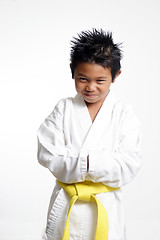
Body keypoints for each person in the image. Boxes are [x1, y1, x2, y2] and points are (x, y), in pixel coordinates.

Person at [37, 29, 142, 240]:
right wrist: (99, 162)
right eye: (83, 78)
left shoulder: (124, 115)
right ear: (72, 71)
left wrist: (81, 160)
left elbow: (128, 165)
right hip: (68, 203)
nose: (90, 87)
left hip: (106, 205)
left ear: (115, 76)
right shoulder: (63, 109)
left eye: (100, 81)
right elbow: (48, 154)